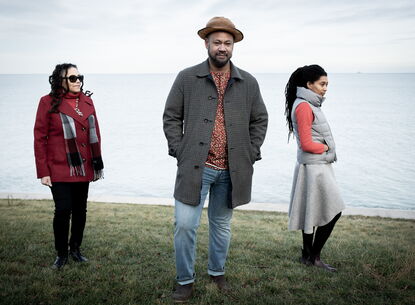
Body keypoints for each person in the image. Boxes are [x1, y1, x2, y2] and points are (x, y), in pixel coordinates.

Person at [163, 16, 268, 302]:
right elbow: (171, 116)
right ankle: (185, 281)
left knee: (221, 225)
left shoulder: (248, 82)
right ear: (206, 43)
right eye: (217, 42)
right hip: (196, 166)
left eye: (228, 43)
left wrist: (251, 151)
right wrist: (179, 149)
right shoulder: (187, 77)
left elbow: (260, 119)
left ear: (233, 46)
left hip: (232, 170)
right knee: (185, 224)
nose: (222, 48)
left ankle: (217, 273)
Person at [34, 63, 103, 270]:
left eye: (79, 76)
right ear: (61, 81)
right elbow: (40, 138)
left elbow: (96, 134)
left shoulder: (87, 101)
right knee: (63, 210)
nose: (78, 81)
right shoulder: (47, 102)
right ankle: (61, 253)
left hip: (84, 166)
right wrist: (43, 172)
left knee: (81, 210)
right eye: (73, 78)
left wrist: (96, 165)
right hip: (59, 168)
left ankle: (75, 249)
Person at [284, 65, 345, 272]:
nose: (325, 88)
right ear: (309, 85)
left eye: (327, 84)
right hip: (314, 166)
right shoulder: (304, 106)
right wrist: (327, 147)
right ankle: (314, 256)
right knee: (335, 210)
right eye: (322, 84)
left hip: (316, 165)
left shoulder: (309, 104)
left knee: (310, 212)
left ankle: (308, 256)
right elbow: (307, 144)